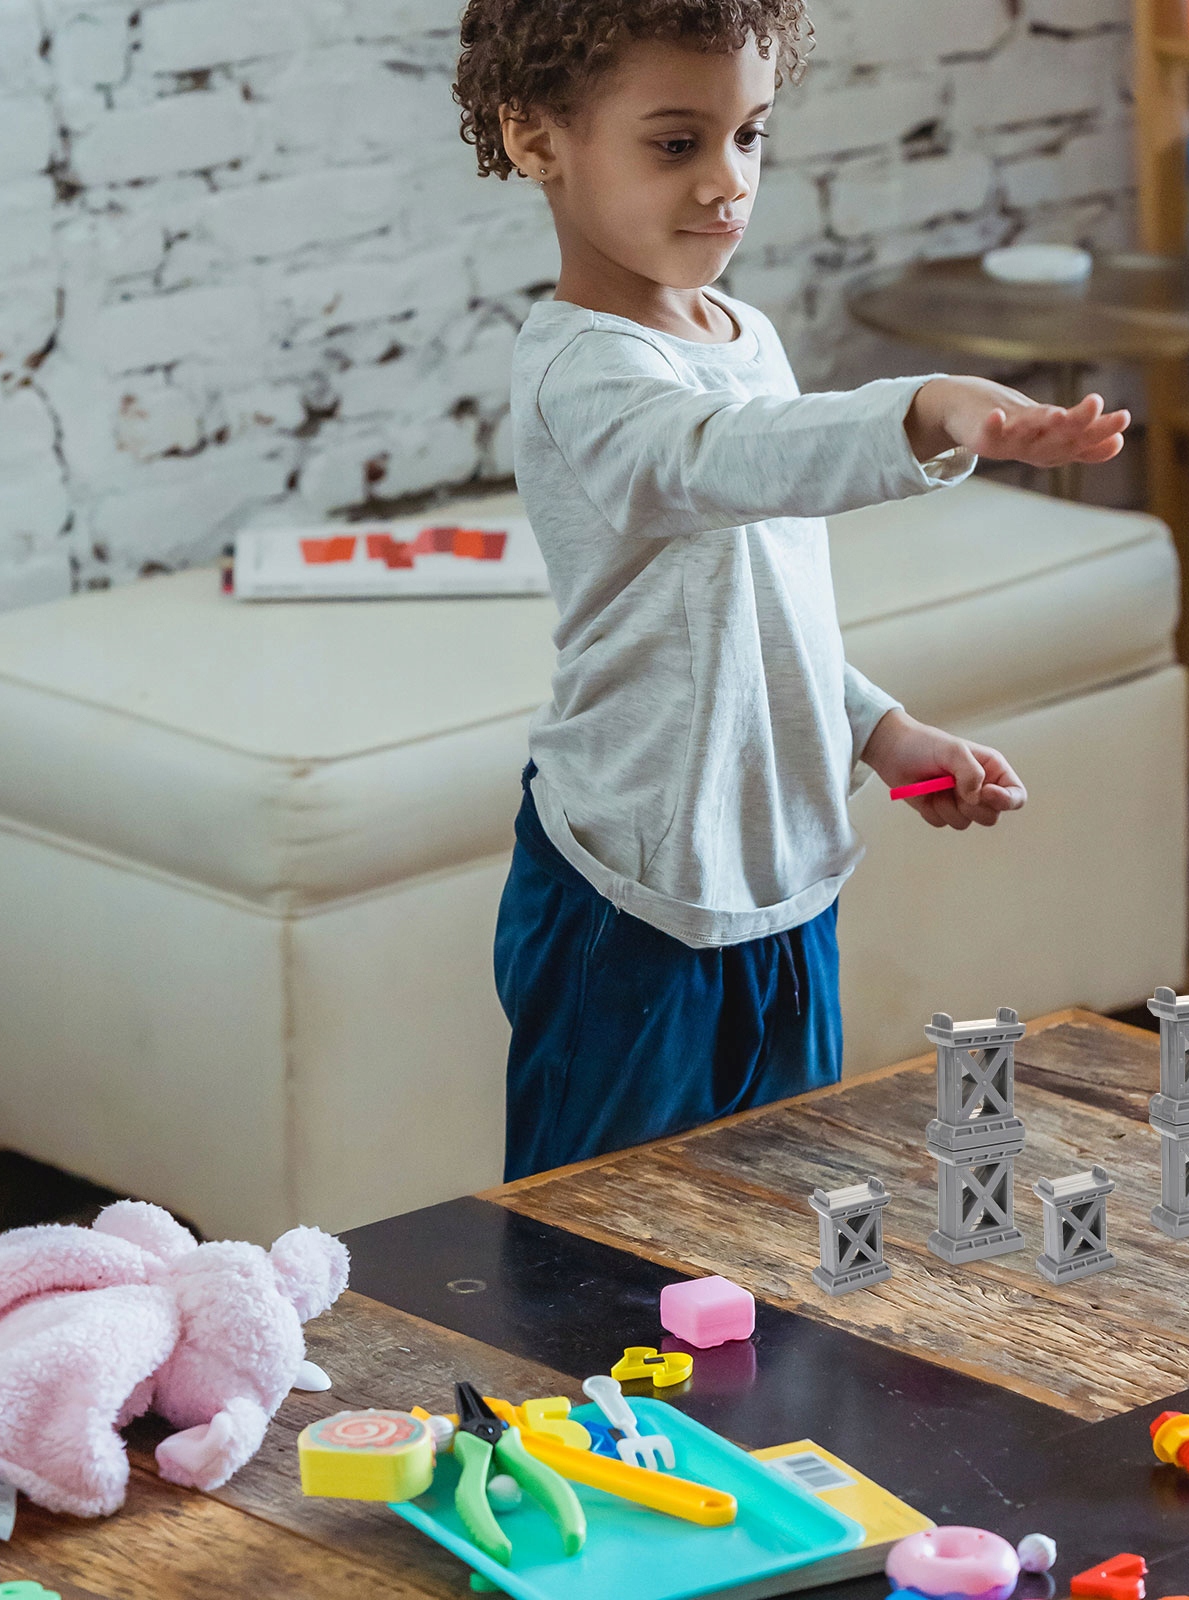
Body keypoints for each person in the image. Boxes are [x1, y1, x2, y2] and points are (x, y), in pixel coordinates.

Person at [452, 0, 1130, 1180]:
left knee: (778, 1205)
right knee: (601, 1231)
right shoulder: (581, 368)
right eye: (677, 143)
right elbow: (712, 457)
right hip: (631, 892)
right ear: (536, 136)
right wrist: (926, 407)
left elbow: (756, 608)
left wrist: (878, 730)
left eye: (750, 134)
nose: (728, 181)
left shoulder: (745, 336)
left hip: (783, 883)